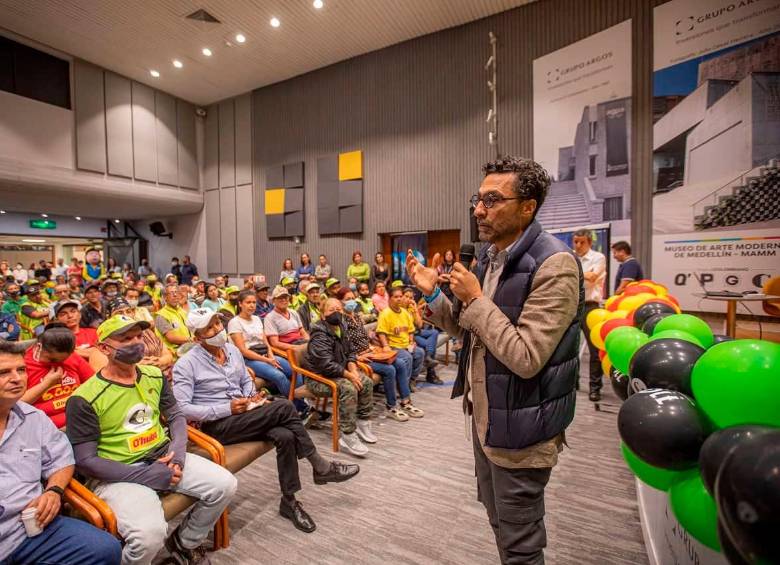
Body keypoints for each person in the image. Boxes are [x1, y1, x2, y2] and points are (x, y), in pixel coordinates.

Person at [407, 156, 583, 564]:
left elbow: (526, 356)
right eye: (478, 199)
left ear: (528, 206)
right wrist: (434, 296)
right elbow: (471, 332)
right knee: (498, 521)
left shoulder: (554, 265)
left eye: (492, 200)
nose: (478, 210)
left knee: (522, 544)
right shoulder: (489, 257)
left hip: (523, 429)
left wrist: (474, 298)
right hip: (488, 419)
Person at [65, 315, 237, 564]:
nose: (137, 343)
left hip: (164, 456)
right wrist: (148, 476)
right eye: (126, 339)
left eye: (138, 336)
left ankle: (184, 542)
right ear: (104, 348)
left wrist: (178, 452)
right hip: (117, 473)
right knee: (149, 537)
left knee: (225, 484)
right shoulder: (84, 397)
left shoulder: (153, 375)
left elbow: (176, 415)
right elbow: (85, 461)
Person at [173, 308, 359, 534]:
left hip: (245, 414)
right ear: (197, 337)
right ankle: (320, 466)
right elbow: (182, 408)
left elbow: (245, 380)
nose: (217, 330)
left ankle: (289, 502)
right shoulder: (186, 364)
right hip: (217, 426)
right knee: (285, 405)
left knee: (286, 435)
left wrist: (252, 396)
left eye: (217, 324)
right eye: (208, 328)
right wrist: (226, 407)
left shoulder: (231, 350)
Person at [0, 340, 122, 565]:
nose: (17, 378)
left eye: (21, 370)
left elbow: (61, 457)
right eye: (4, 372)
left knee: (104, 548)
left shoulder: (32, 417)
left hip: (32, 528)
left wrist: (54, 490)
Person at [302, 298, 376, 456]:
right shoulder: (318, 333)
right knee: (348, 387)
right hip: (318, 378)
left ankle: (363, 423)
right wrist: (349, 376)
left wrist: (354, 370)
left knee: (366, 382)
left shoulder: (342, 326)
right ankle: (347, 435)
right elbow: (325, 364)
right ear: (323, 315)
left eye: (339, 309)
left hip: (338, 373)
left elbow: (350, 352)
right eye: (331, 310)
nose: (336, 313)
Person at [339, 289, 419, 421]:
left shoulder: (357, 317)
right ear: (341, 302)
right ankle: (391, 407)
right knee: (389, 369)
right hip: (358, 358)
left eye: (353, 298)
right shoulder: (342, 321)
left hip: (370, 352)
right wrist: (358, 356)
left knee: (400, 363)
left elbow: (364, 338)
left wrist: (373, 347)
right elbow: (343, 346)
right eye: (347, 299)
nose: (351, 301)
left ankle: (406, 401)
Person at [226, 290, 306, 412]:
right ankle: (299, 408)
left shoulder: (257, 319)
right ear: (240, 304)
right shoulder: (235, 322)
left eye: (253, 302)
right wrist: (267, 360)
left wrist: (270, 355)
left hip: (264, 354)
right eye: (248, 302)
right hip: (248, 359)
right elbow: (243, 350)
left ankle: (298, 404)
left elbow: (265, 342)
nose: (252, 305)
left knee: (295, 370)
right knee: (278, 376)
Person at [21, 323, 95, 429]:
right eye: (52, 360)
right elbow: (15, 405)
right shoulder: (22, 366)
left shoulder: (72, 358)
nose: (58, 364)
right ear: (39, 347)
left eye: (63, 360)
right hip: (45, 429)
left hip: (80, 420)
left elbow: (94, 384)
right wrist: (46, 384)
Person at [92, 298, 175, 379]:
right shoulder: (107, 341)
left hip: (163, 377)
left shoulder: (147, 331)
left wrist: (159, 362)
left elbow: (168, 355)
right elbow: (105, 377)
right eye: (119, 313)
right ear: (108, 317)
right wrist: (137, 366)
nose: (125, 315)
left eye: (129, 311)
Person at [572, 229, 607, 401]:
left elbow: (592, 277)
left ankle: (595, 387)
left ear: (589, 243)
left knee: (594, 350)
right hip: (571, 306)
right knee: (570, 346)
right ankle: (573, 382)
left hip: (590, 307)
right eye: (575, 242)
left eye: (582, 242)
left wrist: (570, 272)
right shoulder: (570, 257)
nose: (578, 245)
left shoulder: (598, 257)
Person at [375, 287, 426, 387]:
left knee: (420, 353)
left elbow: (411, 330)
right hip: (393, 346)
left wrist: (411, 341)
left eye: (400, 296)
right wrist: (385, 345)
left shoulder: (405, 312)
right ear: (390, 299)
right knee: (407, 357)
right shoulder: (385, 314)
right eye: (396, 297)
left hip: (406, 345)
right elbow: (381, 332)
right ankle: (403, 386)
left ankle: (412, 380)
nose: (399, 299)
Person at [403, 287, 442, 384]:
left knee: (434, 332)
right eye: (406, 296)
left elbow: (420, 325)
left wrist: (416, 309)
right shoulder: (400, 310)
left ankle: (428, 357)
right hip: (408, 335)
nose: (409, 299)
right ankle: (430, 372)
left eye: (411, 297)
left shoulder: (411, 308)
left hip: (417, 331)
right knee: (427, 344)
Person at [265, 286, 310, 351]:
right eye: (280, 297)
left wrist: (309, 342)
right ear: (273, 300)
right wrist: (296, 347)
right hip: (289, 348)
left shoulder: (293, 312)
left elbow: (302, 331)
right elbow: (274, 343)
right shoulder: (270, 318)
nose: (284, 300)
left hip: (301, 343)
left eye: (285, 297)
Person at [154, 284, 192, 358]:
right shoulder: (161, 315)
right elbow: (171, 338)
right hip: (175, 354)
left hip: (188, 348)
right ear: (165, 297)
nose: (175, 295)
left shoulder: (182, 311)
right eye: (171, 293)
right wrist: (192, 340)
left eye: (176, 292)